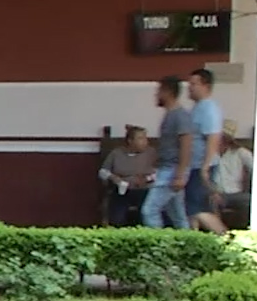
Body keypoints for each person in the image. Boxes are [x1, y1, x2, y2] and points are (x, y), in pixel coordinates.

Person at [141, 75, 194, 230]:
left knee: (149, 210)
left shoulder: (179, 116)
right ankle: (186, 240)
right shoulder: (172, 114)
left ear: (168, 92)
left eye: (159, 91)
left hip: (172, 170)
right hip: (168, 169)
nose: (156, 95)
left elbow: (186, 145)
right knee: (177, 214)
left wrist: (180, 175)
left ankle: (158, 241)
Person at [186, 67, 228, 233]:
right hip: (193, 165)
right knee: (191, 207)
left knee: (197, 208)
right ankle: (195, 240)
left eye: (193, 84)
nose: (189, 87)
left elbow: (213, 137)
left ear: (206, 85)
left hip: (202, 166)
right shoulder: (198, 107)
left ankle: (225, 238)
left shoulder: (209, 108)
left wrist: (205, 166)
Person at [97, 125, 156, 227]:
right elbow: (103, 171)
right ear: (130, 141)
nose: (145, 141)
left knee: (145, 214)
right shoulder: (117, 153)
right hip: (122, 190)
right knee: (117, 217)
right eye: (141, 138)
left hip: (144, 190)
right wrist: (114, 178)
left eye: (145, 138)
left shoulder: (151, 153)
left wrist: (147, 179)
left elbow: (161, 172)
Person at [214, 120, 254, 223]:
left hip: (236, 194)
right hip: (216, 193)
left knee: (251, 201)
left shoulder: (241, 152)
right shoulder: (209, 153)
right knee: (210, 202)